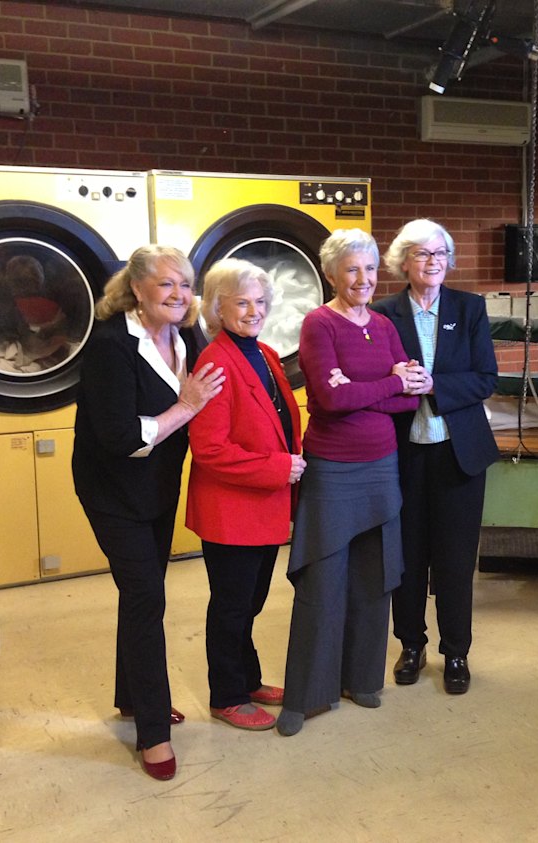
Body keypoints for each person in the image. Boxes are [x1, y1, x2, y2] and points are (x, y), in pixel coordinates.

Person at [72, 245, 225, 781]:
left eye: (186, 285)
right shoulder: (111, 346)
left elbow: (215, 390)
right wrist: (185, 407)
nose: (180, 296)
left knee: (140, 592)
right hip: (112, 488)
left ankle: (131, 697)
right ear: (136, 289)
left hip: (158, 486)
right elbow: (117, 437)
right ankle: (153, 733)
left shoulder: (187, 336)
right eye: (167, 285)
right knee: (146, 596)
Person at [276, 229, 421, 737]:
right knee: (322, 580)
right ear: (332, 274)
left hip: (382, 464)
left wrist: (368, 389)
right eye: (352, 270)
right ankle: (307, 696)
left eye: (370, 269)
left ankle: (362, 679)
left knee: (374, 577)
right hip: (334, 468)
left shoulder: (382, 326)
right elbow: (330, 401)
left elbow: (411, 397)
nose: (363, 279)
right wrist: (391, 384)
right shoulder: (319, 324)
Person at [371, 218, 499, 694]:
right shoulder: (383, 314)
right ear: (403, 262)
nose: (433, 262)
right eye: (423, 254)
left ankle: (457, 652)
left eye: (440, 254)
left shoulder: (469, 308)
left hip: (459, 456)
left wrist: (435, 385)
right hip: (402, 456)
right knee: (406, 556)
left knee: (455, 558)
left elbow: (487, 377)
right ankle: (410, 644)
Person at [186, 257, 304, 732]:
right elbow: (210, 450)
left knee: (250, 602)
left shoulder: (264, 352)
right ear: (217, 308)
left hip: (262, 506)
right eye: (241, 302)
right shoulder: (215, 360)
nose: (254, 310)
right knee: (232, 605)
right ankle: (227, 695)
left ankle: (249, 679)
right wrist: (279, 467)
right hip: (231, 510)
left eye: (260, 301)